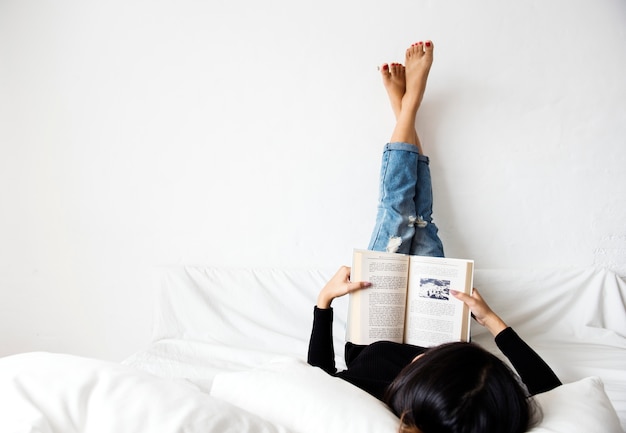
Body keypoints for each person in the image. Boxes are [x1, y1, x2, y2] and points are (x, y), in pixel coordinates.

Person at [307, 41, 562, 433]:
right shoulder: (479, 407)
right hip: (435, 320)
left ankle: (407, 107)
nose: (416, 357)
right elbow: (550, 391)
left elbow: (315, 382)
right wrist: (489, 318)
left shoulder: (371, 396)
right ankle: (404, 110)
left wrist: (324, 303)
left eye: (421, 365)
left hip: (374, 330)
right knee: (421, 219)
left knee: (397, 215)